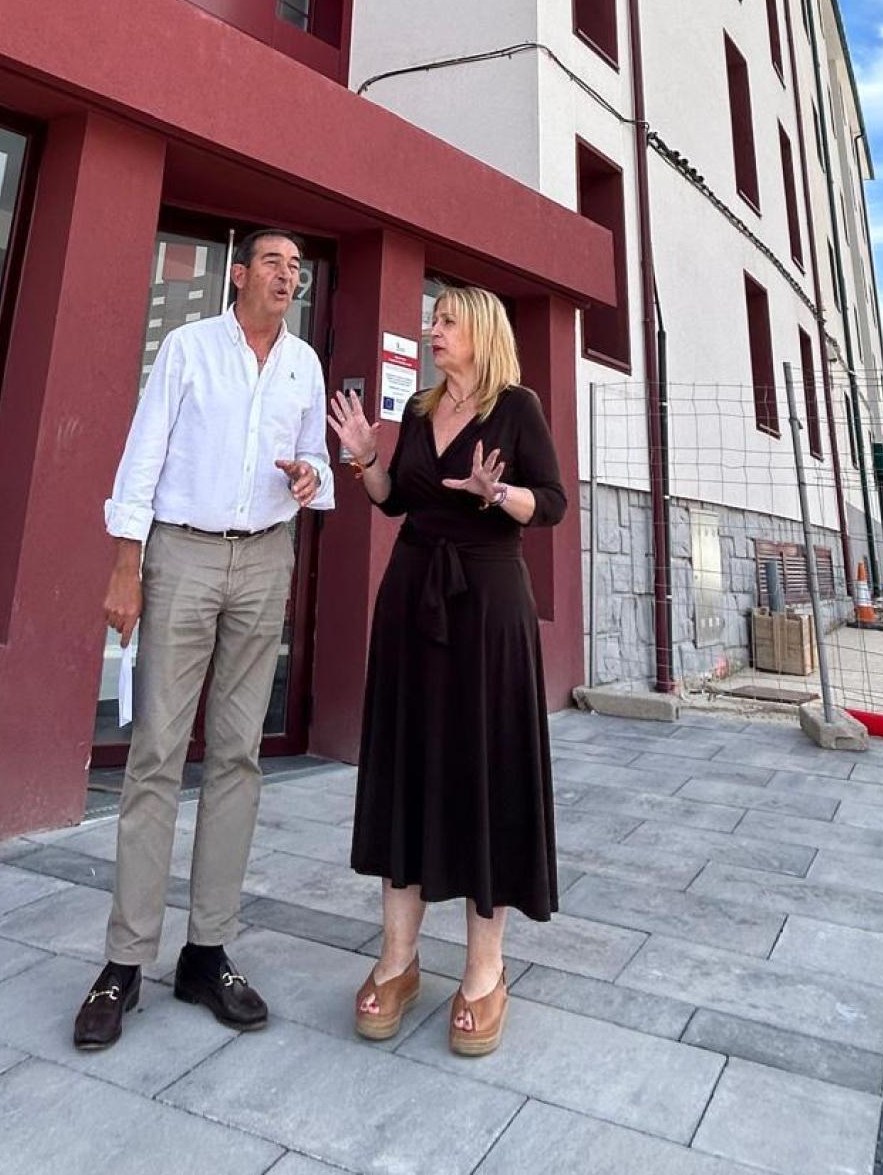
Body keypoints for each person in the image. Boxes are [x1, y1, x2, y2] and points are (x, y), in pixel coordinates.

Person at [73, 229, 334, 1050]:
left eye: (298, 268)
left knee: (238, 756)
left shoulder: (304, 364)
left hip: (264, 558)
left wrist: (309, 475)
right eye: (274, 263)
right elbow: (142, 451)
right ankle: (124, 960)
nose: (288, 276)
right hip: (180, 553)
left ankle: (207, 951)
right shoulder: (188, 348)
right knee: (154, 751)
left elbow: (318, 460)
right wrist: (127, 562)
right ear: (240, 274)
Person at [328, 284, 565, 1059]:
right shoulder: (421, 412)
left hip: (488, 607)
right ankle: (397, 962)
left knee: (482, 771)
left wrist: (504, 494)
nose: (433, 330)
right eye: (432, 320)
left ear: (482, 331)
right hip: (411, 600)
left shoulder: (519, 406)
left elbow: (554, 503)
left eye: (447, 320)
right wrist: (365, 459)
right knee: (407, 766)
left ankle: (485, 971)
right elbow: (394, 500)